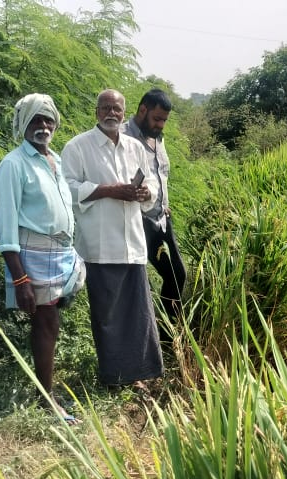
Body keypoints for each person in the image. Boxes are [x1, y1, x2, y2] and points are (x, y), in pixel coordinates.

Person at [61, 89, 163, 388]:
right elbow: (66, 188)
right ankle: (114, 377)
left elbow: (152, 182)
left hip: (132, 243)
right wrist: (109, 190)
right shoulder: (78, 146)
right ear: (96, 112)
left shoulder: (134, 147)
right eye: (105, 108)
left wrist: (145, 192)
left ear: (124, 112)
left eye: (116, 109)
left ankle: (139, 374)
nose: (111, 113)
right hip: (100, 245)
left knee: (137, 314)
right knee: (108, 317)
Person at [0, 93, 83, 423]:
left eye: (48, 119)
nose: (43, 125)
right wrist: (20, 279)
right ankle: (47, 399)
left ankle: (46, 392)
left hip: (59, 253)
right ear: (23, 124)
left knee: (51, 321)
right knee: (46, 324)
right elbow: (5, 227)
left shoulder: (55, 160)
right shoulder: (13, 164)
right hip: (33, 255)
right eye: (35, 119)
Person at [121, 88, 186, 344]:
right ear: (142, 109)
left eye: (164, 120)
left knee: (177, 275)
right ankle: (145, 340)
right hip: (135, 220)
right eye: (157, 119)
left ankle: (168, 340)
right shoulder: (123, 137)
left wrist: (164, 203)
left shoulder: (157, 138)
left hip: (160, 218)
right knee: (141, 285)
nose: (161, 125)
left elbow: (161, 175)